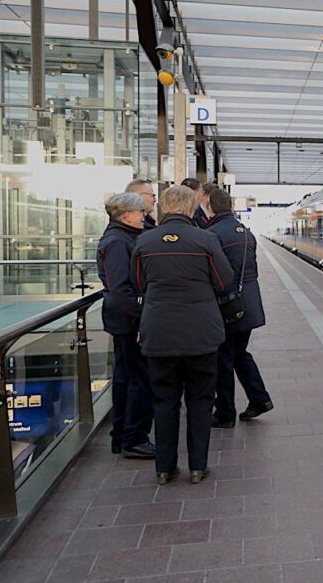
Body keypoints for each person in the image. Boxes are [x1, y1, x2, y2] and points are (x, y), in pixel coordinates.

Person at [131, 185, 234, 485]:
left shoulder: (144, 241)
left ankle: (164, 468)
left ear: (163, 208)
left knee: (164, 401)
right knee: (201, 400)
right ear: (192, 209)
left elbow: (138, 284)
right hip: (201, 333)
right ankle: (198, 468)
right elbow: (223, 281)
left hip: (159, 332)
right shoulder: (206, 239)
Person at [204, 188, 274, 427]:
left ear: (210, 207)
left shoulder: (212, 233)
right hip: (249, 301)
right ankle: (259, 398)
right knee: (239, 353)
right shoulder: (245, 232)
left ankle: (225, 413)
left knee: (223, 357)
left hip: (227, 305)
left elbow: (217, 275)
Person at [97, 193, 155, 459]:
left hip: (123, 319)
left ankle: (121, 435)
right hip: (128, 320)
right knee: (139, 380)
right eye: (140, 211)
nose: (144, 214)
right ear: (125, 214)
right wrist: (142, 316)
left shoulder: (120, 237)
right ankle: (134, 438)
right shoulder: (119, 242)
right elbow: (121, 288)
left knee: (126, 378)